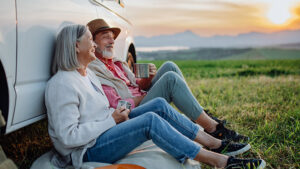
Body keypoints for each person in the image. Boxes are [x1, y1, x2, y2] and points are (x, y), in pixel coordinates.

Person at [45, 24, 266, 169]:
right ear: (75, 46)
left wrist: (115, 117)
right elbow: (67, 138)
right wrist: (111, 120)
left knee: (159, 104)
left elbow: (101, 111)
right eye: (89, 40)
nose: (93, 44)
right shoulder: (62, 84)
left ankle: (215, 143)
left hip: (106, 130)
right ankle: (220, 161)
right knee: (150, 121)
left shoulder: (87, 75)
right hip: (86, 151)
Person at [87, 19, 248, 142]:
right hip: (133, 113)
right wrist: (143, 96)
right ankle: (213, 129)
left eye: (112, 37)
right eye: (105, 37)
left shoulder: (117, 63)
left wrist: (148, 78)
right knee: (170, 80)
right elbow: (117, 107)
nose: (112, 41)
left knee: (169, 66)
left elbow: (138, 86)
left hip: (143, 98)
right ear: (93, 43)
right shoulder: (95, 71)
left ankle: (199, 114)